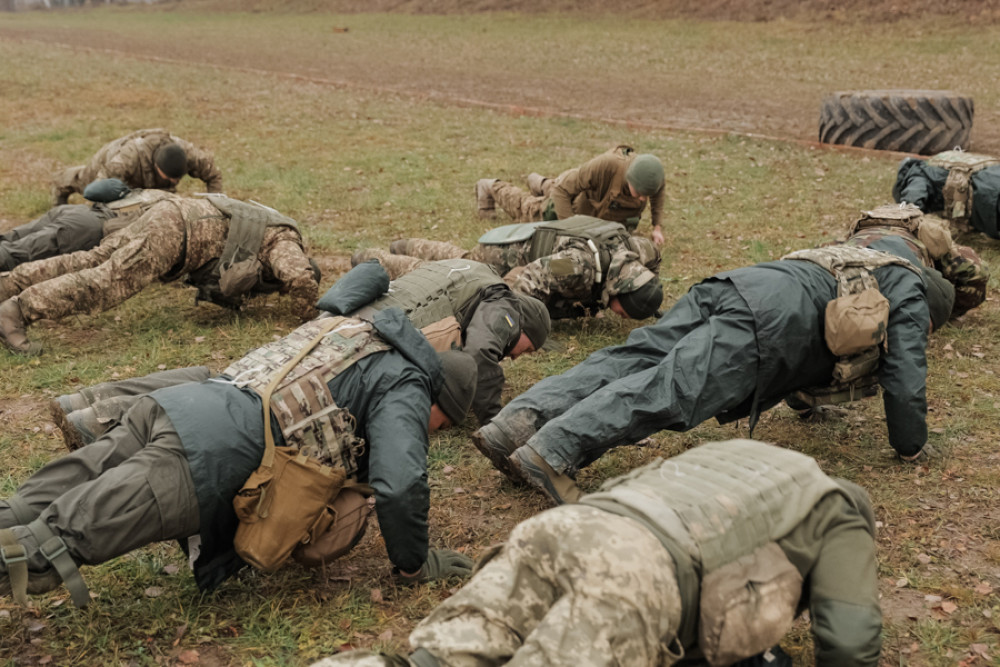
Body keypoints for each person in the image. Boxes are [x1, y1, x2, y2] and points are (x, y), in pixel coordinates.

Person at [0, 309, 478, 607]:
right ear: (439, 399)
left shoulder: (354, 326)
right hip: (202, 457)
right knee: (63, 538)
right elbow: (400, 484)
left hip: (179, 404)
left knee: (49, 495)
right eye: (439, 424)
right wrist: (415, 564)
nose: (431, 433)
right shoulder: (408, 384)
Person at [471, 213, 961, 504]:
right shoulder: (913, 289)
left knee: (633, 356)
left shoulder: (856, 253)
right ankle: (552, 451)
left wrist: (808, 402)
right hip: (767, 327)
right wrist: (912, 446)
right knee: (672, 387)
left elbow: (822, 341)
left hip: (738, 286)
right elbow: (904, 379)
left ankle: (515, 423)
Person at [310, 439, 882, 667]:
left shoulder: (736, 453)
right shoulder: (839, 508)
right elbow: (851, 641)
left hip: (561, 529)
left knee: (436, 659)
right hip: (637, 571)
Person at [49, 258, 551, 447]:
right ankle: (104, 420)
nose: (520, 357)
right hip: (356, 346)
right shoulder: (500, 300)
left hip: (337, 325)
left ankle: (93, 403)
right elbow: (484, 356)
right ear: (525, 322)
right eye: (528, 349)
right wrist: (490, 418)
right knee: (247, 401)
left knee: (234, 380)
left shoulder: (457, 267)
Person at [0, 192, 320, 355]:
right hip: (174, 233)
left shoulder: (266, 219)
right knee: (107, 282)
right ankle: (17, 311)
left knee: (92, 260)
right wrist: (307, 316)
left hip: (169, 211)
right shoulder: (285, 239)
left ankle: (8, 285)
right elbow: (300, 278)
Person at [353, 215, 664, 321]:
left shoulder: (637, 252)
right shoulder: (576, 265)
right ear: (621, 287)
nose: (620, 316)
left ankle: (404, 243)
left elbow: (656, 258)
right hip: (510, 253)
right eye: (624, 311)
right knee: (460, 273)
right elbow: (528, 276)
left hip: (536, 238)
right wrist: (518, 324)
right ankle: (376, 258)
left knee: (462, 256)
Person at [475, 145, 666, 245]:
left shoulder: (651, 174)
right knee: (531, 210)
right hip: (574, 204)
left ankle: (541, 183)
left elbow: (658, 195)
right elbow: (562, 191)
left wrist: (657, 226)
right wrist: (571, 230)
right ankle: (491, 186)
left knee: (561, 186)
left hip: (586, 202)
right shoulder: (608, 165)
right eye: (640, 194)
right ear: (629, 178)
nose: (643, 200)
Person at [0, 181, 175, 271]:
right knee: (17, 253)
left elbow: (102, 189)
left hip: (75, 211)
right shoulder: (174, 215)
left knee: (13, 238)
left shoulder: (153, 194)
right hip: (86, 229)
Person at [51, 128, 224, 206]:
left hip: (149, 179)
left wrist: (214, 205)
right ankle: (60, 183)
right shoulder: (125, 160)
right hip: (112, 160)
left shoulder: (191, 155)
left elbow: (214, 176)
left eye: (177, 178)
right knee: (85, 183)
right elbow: (102, 189)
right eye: (170, 178)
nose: (175, 181)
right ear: (157, 166)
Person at [892, 149, 1000, 238]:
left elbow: (912, 199)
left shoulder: (918, 173)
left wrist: (902, 220)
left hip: (987, 194)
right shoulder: (938, 161)